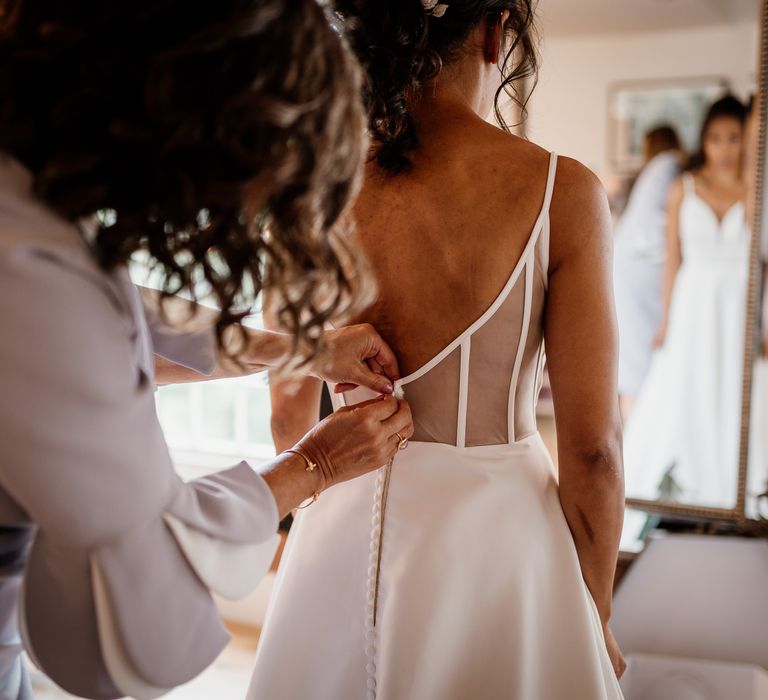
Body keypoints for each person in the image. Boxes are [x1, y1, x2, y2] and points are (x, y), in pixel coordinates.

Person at [0, 2, 414, 699]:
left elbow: (120, 326)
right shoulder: (28, 270)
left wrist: (296, 351)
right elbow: (140, 559)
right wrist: (310, 466)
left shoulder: (29, 210)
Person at [249, 2, 626, 699]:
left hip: (334, 530)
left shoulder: (307, 189)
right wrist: (593, 614)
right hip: (496, 552)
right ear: (494, 33)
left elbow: (285, 414)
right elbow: (592, 451)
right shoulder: (559, 190)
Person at [624, 96, 749, 507]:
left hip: (738, 303)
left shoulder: (755, 190)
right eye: (716, 138)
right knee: (685, 383)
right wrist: (665, 320)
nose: (724, 149)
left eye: (734, 138)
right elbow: (672, 261)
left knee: (734, 387)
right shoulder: (684, 187)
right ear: (704, 141)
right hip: (694, 302)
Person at [613, 126, 683, 419]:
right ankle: (639, 430)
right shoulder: (670, 166)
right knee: (642, 358)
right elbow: (658, 230)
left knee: (633, 358)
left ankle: (633, 429)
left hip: (628, 272)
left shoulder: (655, 169)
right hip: (641, 274)